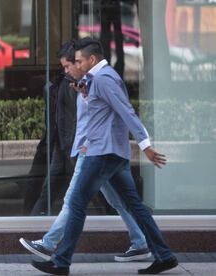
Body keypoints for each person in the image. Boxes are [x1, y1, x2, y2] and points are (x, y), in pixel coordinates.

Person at [31, 38, 178, 275]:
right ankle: (165, 255)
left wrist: (145, 145)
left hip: (101, 153)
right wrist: (86, 94)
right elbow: (104, 110)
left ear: (91, 59)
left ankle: (60, 261)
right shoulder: (96, 80)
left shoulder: (104, 78)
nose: (75, 65)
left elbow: (126, 111)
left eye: (78, 61)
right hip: (113, 153)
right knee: (136, 207)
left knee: (77, 203)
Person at [23, 41, 77, 216]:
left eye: (67, 66)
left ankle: (33, 223)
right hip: (62, 144)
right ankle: (32, 222)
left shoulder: (72, 85)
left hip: (69, 144)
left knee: (92, 191)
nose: (65, 70)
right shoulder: (60, 85)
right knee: (50, 189)